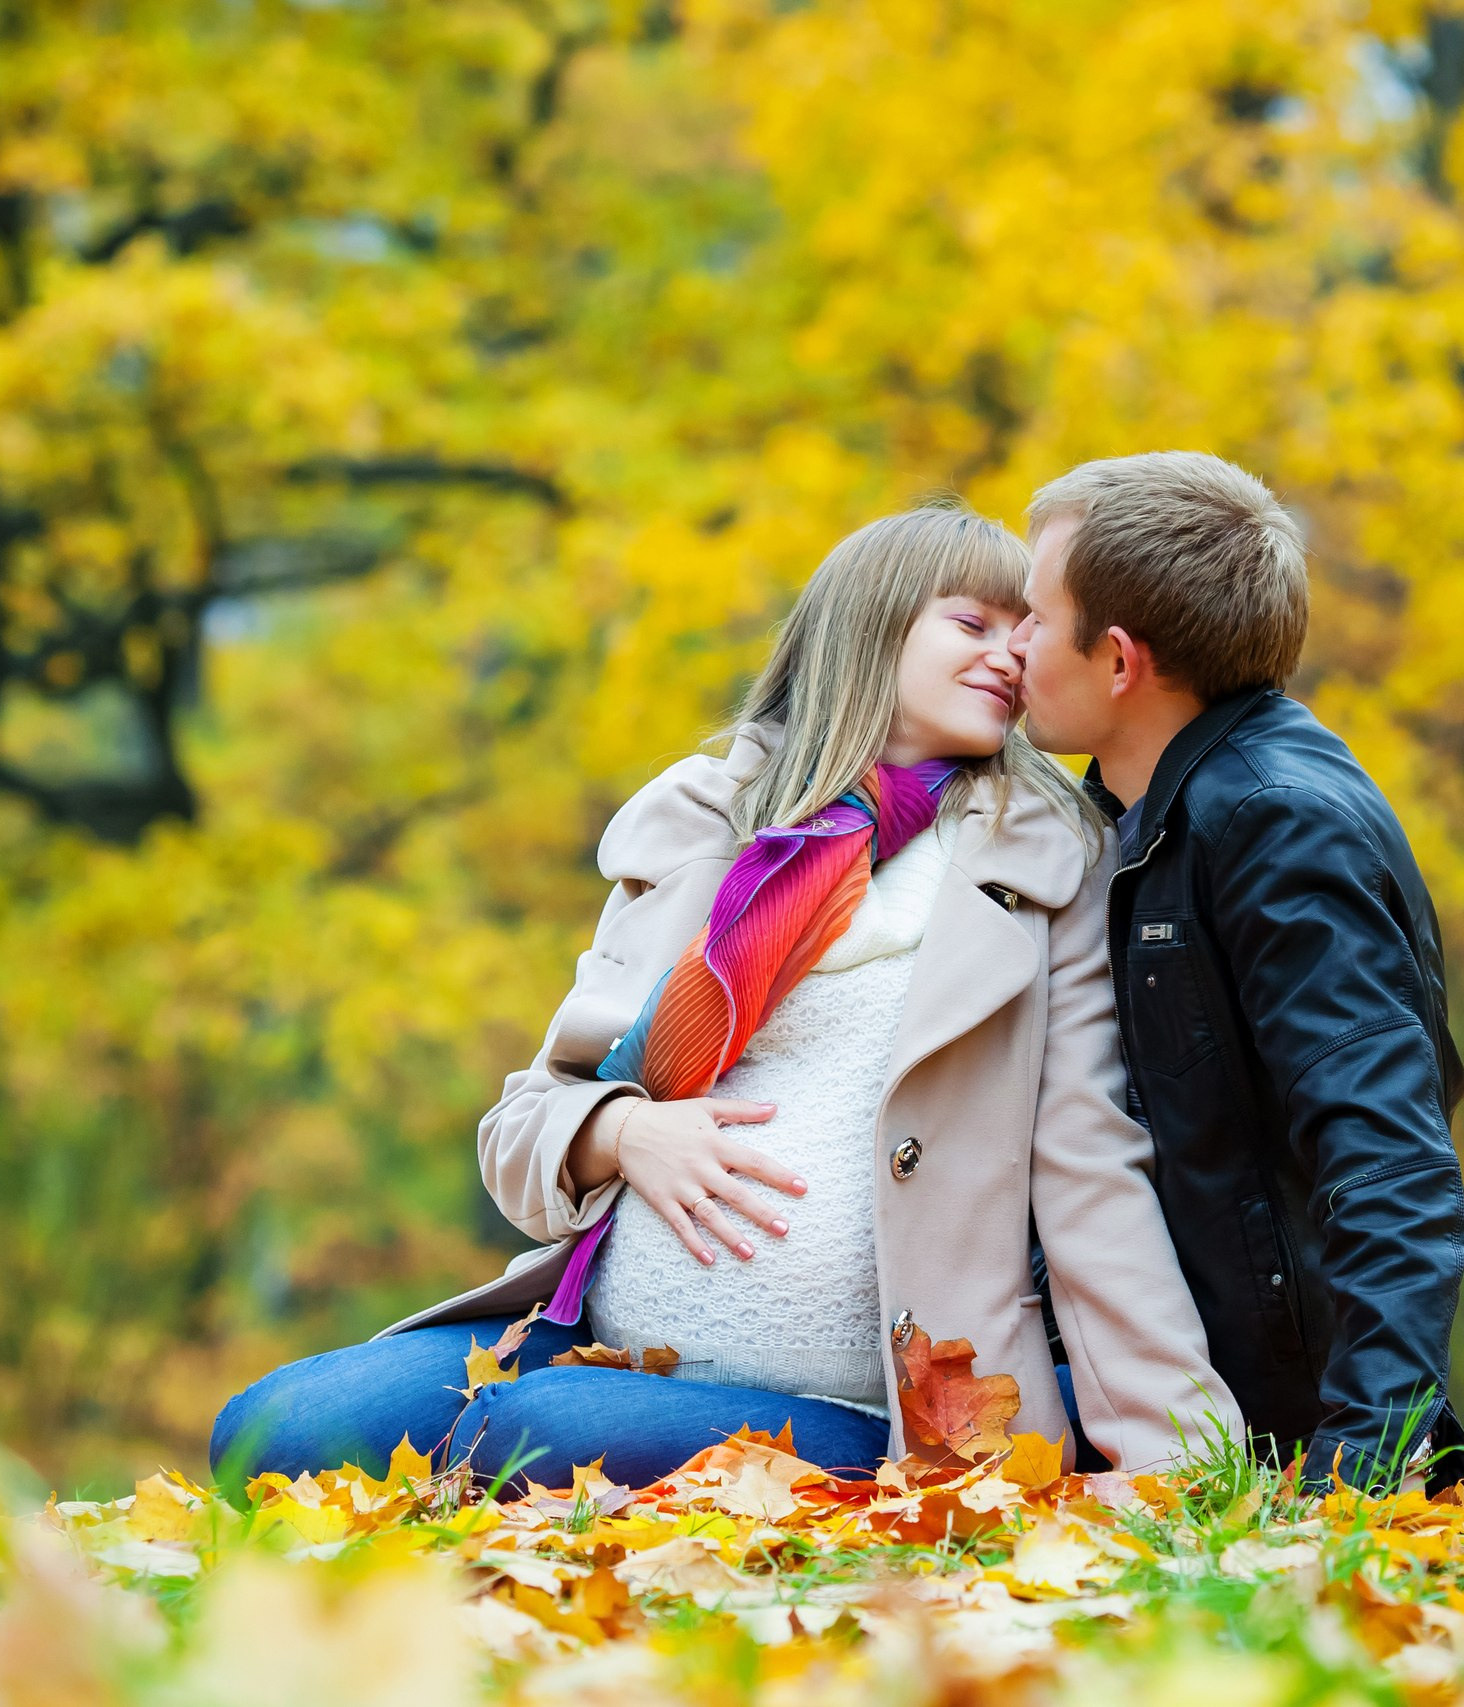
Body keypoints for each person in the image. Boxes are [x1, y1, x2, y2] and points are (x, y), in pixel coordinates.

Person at [214, 503, 1239, 1490]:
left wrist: (1178, 1452)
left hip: (876, 1399)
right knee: (271, 1428)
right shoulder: (707, 824)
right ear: (870, 626)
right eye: (972, 622)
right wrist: (625, 1134)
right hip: (602, 1337)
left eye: (1023, 630)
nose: (1008, 652)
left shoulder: (1046, 860)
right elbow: (522, 1126)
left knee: (540, 1431)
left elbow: (1089, 1163)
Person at [1007, 451, 1464, 1494]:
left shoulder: (1275, 822)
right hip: (1141, 1388)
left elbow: (1390, 1162)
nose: (1015, 642)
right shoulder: (1134, 820)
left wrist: (1357, 1476)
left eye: (1035, 617)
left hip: (1254, 1430)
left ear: (1118, 661)